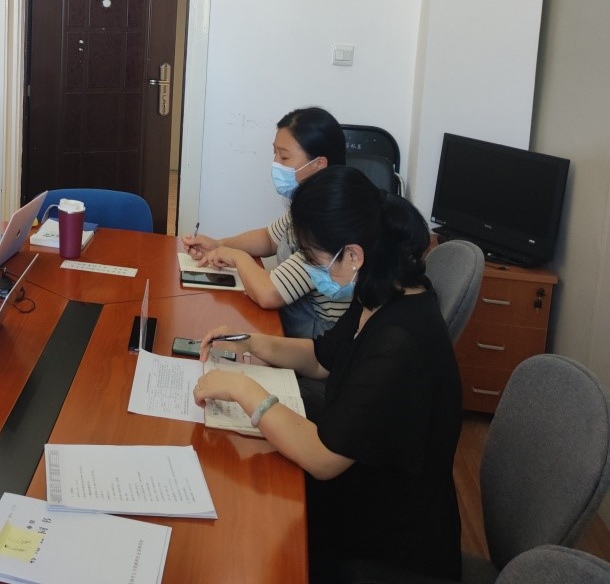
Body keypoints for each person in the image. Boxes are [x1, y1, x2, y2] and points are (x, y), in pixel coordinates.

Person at [192, 167, 462, 582]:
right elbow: (322, 358)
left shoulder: (401, 342)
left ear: (352, 255)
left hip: (386, 545)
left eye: (314, 258)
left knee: (243, 529)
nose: (309, 267)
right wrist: (251, 343)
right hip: (356, 493)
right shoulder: (378, 289)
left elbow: (322, 458)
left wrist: (244, 390)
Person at [184, 106, 351, 337]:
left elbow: (269, 293)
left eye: (284, 157)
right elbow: (269, 238)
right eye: (275, 154)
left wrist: (237, 257)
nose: (275, 164)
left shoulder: (330, 216)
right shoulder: (312, 199)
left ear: (318, 164)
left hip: (321, 337)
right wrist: (219, 244)